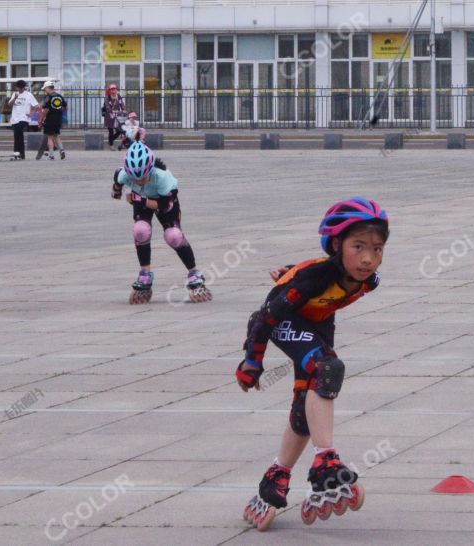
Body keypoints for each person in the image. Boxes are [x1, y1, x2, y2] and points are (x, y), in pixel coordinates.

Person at [237, 198, 388, 530]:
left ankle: (275, 477)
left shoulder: (368, 280)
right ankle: (325, 463)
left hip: (316, 325)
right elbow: (267, 316)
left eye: (377, 249)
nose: (368, 258)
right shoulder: (318, 277)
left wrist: (289, 268)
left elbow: (312, 269)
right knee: (328, 369)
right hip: (279, 321)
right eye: (358, 246)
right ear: (337, 245)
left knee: (307, 404)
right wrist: (252, 360)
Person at [111, 136, 212, 304]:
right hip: (141, 200)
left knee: (173, 236)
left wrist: (140, 199)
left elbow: (163, 206)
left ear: (150, 169)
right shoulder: (125, 174)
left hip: (162, 201)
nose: (138, 181)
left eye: (142, 178)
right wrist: (116, 191)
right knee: (140, 231)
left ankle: (194, 273)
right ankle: (145, 274)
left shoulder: (163, 178)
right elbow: (117, 178)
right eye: (134, 178)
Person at [7, 80, 39, 159]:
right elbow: (9, 105)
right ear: (17, 87)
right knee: (18, 135)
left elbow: (36, 106)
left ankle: (17, 152)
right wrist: (15, 98)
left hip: (24, 118)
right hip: (15, 118)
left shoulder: (29, 95)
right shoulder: (14, 94)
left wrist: (32, 113)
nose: (20, 89)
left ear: (24, 87)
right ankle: (21, 154)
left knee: (18, 132)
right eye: (19, 88)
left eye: (21, 88)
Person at [36, 81, 67, 160]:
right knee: (57, 136)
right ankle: (62, 150)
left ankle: (51, 155)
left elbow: (46, 110)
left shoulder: (48, 97)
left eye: (45, 89)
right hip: (58, 119)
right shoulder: (59, 96)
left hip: (50, 119)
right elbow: (65, 107)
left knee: (50, 137)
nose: (45, 91)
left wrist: (40, 119)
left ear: (47, 88)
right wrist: (58, 111)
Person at [103, 84, 126, 148]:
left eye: (114, 89)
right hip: (109, 116)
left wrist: (124, 110)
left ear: (116, 90)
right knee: (111, 131)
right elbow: (107, 105)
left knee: (119, 130)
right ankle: (111, 145)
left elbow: (122, 104)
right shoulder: (107, 97)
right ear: (110, 90)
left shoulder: (118, 96)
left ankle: (110, 140)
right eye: (112, 89)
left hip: (117, 116)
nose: (113, 90)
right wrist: (110, 110)